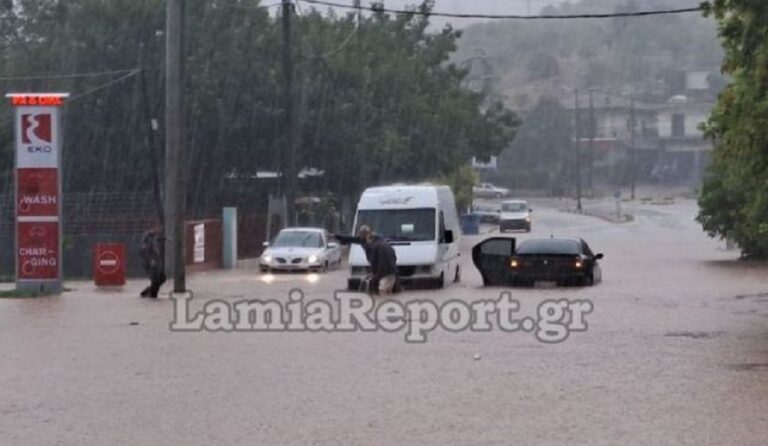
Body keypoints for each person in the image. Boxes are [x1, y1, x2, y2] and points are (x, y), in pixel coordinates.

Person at [334, 225, 399, 294]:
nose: (363, 237)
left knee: (383, 290)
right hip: (390, 270)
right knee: (387, 290)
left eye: (364, 234)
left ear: (368, 235)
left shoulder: (376, 245)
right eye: (361, 234)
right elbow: (351, 239)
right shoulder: (367, 240)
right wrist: (337, 236)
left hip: (386, 271)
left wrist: (374, 273)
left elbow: (376, 261)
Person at [139, 225, 166, 298]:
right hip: (150, 262)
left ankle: (147, 292)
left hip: (156, 261)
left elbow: (160, 240)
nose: (160, 230)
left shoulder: (156, 236)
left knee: (162, 278)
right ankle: (152, 295)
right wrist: (150, 260)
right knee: (156, 279)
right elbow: (144, 250)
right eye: (159, 228)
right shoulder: (149, 236)